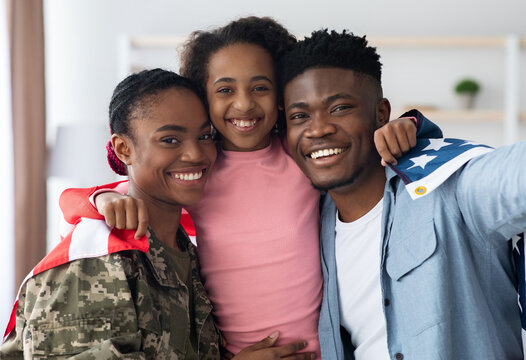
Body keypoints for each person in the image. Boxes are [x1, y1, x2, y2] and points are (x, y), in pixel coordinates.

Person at [56, 17, 418, 358]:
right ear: (204, 97)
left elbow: (358, 151)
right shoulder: (195, 171)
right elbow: (78, 202)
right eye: (225, 89)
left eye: (260, 87)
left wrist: (407, 126)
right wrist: (99, 198)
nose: (244, 103)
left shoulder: (302, 156)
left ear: (280, 95)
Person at [0, 69, 314, 359]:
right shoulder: (97, 265)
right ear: (124, 149)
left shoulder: (183, 249)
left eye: (205, 136)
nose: (195, 154)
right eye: (170, 140)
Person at [279, 29, 525, 359]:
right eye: (299, 116)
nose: (317, 128)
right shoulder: (309, 221)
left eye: (339, 108)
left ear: (381, 113)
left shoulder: (449, 186)